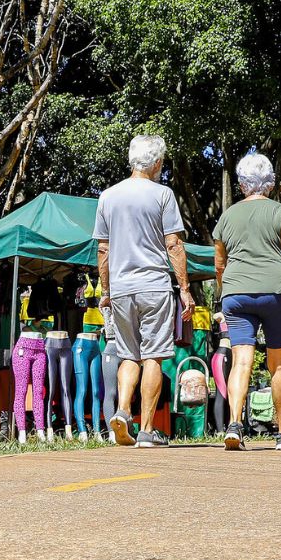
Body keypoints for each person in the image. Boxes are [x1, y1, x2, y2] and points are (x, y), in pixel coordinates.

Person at [94, 134, 193, 448]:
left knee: (127, 355)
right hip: (154, 286)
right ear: (158, 163)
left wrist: (106, 289)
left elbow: (103, 250)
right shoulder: (163, 194)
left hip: (121, 289)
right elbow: (174, 244)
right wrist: (185, 289)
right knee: (153, 357)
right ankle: (148, 431)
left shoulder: (108, 196)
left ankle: (123, 410)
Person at [211, 153, 281, 451]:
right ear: (269, 184)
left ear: (242, 184)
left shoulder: (227, 216)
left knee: (241, 359)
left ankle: (234, 425)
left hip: (236, 294)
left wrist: (225, 292)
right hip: (276, 293)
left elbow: (219, 263)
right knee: (279, 364)